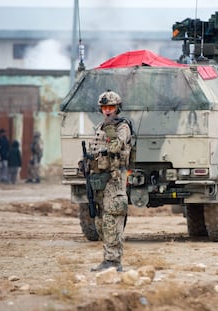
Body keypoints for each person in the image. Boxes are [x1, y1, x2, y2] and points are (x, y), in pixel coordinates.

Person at [84, 90, 132, 272]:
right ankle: (108, 258)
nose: (107, 111)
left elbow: (115, 147)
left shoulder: (122, 127)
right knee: (99, 221)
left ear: (118, 108)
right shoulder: (99, 127)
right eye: (104, 108)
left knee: (112, 219)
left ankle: (113, 261)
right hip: (98, 179)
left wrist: (110, 130)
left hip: (114, 178)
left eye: (111, 107)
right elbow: (94, 149)